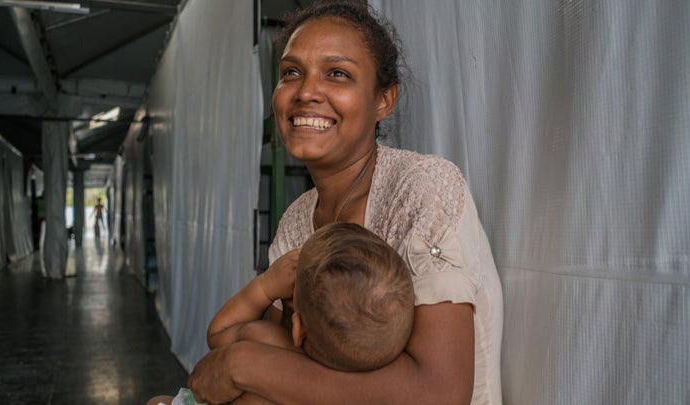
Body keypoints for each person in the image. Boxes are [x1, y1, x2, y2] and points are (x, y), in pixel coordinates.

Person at [188, 1, 504, 404]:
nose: (305, 92)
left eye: (337, 74)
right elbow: (278, 355)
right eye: (291, 73)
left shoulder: (421, 188)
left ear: (383, 101)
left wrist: (242, 365)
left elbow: (439, 392)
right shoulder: (297, 220)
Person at [147, 222, 414, 405]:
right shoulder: (365, 384)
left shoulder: (269, 340)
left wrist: (265, 287)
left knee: (157, 401)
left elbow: (217, 334)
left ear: (298, 328)